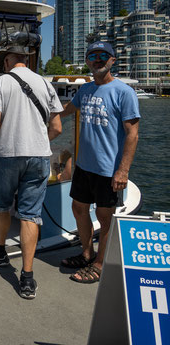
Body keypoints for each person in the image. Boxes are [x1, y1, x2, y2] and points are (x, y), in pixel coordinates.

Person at [0, 45, 63, 299]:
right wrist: (40, 142)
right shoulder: (45, 83)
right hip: (39, 156)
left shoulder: (0, 83)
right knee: (30, 215)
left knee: (3, 205)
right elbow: (57, 127)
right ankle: (27, 278)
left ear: (7, 61)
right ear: (26, 61)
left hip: (7, 155)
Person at [59, 41, 140, 284]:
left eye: (103, 55)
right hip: (85, 166)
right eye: (92, 56)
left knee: (105, 218)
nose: (97, 59)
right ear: (87, 61)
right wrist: (40, 111)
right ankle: (87, 253)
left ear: (112, 60)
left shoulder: (124, 92)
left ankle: (100, 264)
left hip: (109, 170)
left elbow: (132, 134)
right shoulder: (84, 90)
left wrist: (123, 170)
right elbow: (65, 111)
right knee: (79, 209)